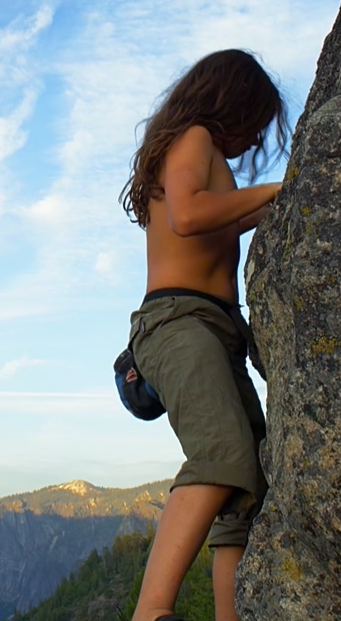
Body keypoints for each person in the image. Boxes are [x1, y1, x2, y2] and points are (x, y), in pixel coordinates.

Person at [121, 49, 287, 621]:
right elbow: (189, 216)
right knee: (221, 452)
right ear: (232, 102)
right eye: (256, 121)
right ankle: (152, 611)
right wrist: (274, 191)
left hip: (214, 332)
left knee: (249, 484)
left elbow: (220, 219)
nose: (255, 137)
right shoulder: (193, 137)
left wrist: (267, 205)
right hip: (179, 323)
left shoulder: (204, 153)